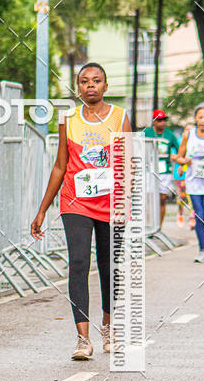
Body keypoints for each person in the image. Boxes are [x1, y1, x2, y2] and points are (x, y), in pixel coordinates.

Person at [30, 63, 131, 360]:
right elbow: (61, 165)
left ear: (106, 86)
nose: (91, 86)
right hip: (76, 201)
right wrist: (42, 209)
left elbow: (128, 166)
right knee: (78, 262)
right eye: (85, 81)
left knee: (108, 265)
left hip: (111, 204)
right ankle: (82, 339)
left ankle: (108, 327)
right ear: (78, 87)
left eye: (96, 81)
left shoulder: (120, 117)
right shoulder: (68, 119)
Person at [176, 104, 204, 261]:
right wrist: (184, 160)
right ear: (195, 118)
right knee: (199, 216)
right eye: (200, 117)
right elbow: (179, 157)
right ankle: (202, 250)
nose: (203, 120)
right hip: (194, 183)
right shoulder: (189, 135)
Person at [143, 109, 180, 227]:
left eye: (164, 120)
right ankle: (149, 225)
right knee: (149, 199)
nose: (162, 123)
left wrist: (179, 163)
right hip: (149, 170)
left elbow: (180, 151)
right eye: (159, 120)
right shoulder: (146, 132)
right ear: (154, 121)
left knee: (162, 199)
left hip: (165, 171)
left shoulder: (170, 134)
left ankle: (159, 226)